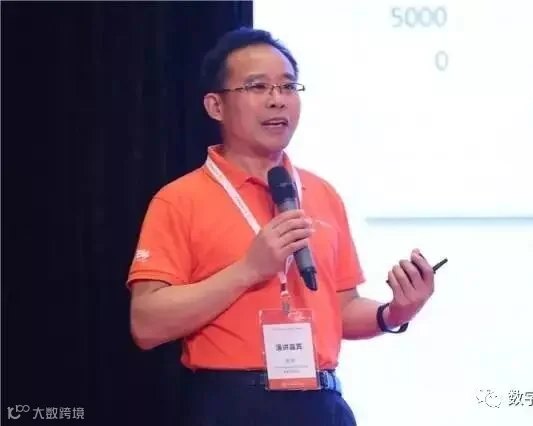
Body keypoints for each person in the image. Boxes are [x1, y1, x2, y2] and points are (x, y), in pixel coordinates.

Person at [127, 27, 436, 426]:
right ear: (215, 106)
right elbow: (146, 323)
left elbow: (342, 310)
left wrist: (395, 311)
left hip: (320, 403)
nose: (277, 100)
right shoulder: (179, 200)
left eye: (288, 86)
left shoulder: (320, 193)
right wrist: (248, 270)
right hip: (232, 405)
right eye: (258, 87)